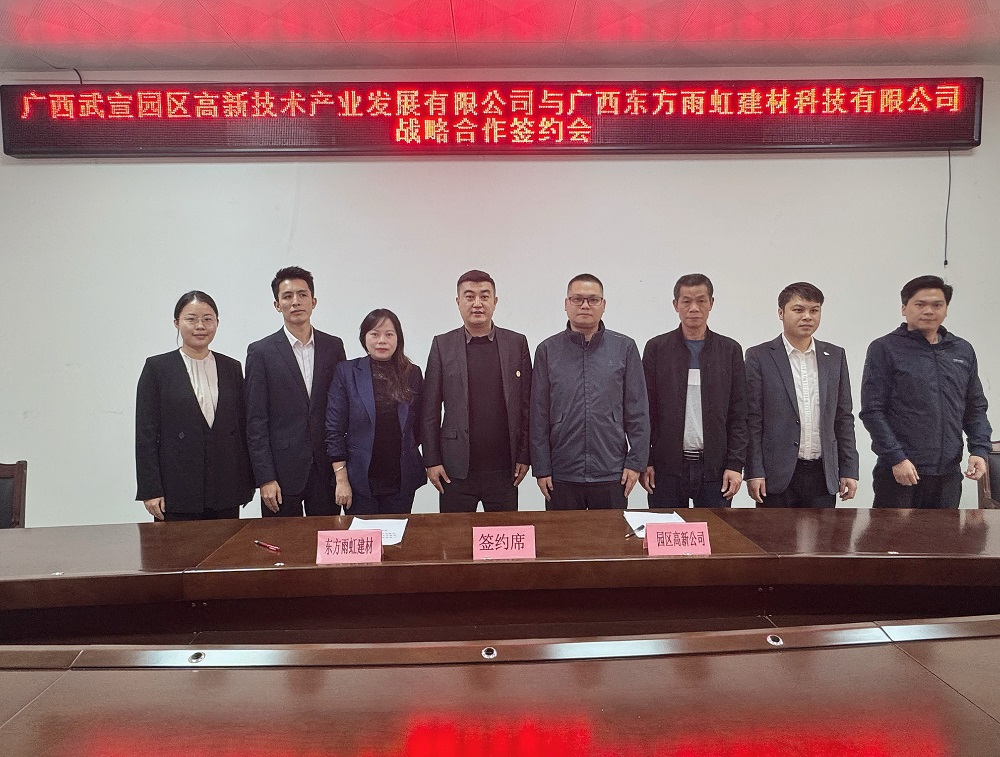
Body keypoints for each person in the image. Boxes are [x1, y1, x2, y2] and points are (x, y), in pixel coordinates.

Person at [860, 275, 992, 508]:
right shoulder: (885, 348)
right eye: (920, 304)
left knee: (944, 532)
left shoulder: (961, 350)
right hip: (900, 471)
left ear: (946, 309)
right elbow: (873, 411)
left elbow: (975, 407)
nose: (929, 311)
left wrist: (979, 450)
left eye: (937, 305)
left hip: (948, 474)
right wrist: (897, 458)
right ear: (904, 308)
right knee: (893, 533)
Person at [530, 273, 649, 510]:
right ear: (566, 304)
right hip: (562, 472)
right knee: (563, 535)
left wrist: (635, 463)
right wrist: (541, 468)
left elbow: (638, 410)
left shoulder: (624, 348)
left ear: (603, 305)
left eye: (593, 299)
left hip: (611, 470)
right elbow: (538, 414)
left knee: (611, 535)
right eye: (577, 299)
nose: (585, 305)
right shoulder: (547, 350)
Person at [135, 291, 254, 521]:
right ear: (176, 322)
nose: (200, 326)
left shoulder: (231, 367)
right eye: (191, 319)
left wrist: (246, 482)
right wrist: (151, 490)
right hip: (176, 487)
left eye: (208, 319)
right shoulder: (157, 369)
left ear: (217, 323)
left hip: (225, 486)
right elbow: (146, 435)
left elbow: (241, 429)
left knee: (227, 544)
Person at [421, 270, 532, 512]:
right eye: (469, 296)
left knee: (503, 535)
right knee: (455, 536)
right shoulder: (442, 345)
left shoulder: (517, 343)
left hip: (504, 468)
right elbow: (429, 409)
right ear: (458, 301)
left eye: (484, 296)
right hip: (455, 469)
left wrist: (525, 455)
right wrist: (432, 460)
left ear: (495, 301)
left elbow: (526, 405)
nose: (477, 303)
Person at [745, 282, 859, 508]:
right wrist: (754, 471)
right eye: (798, 310)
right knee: (773, 532)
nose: (807, 316)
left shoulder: (834, 355)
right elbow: (752, 419)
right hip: (777, 473)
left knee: (824, 532)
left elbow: (843, 416)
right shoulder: (759, 356)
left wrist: (849, 469)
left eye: (814, 310)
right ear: (781, 313)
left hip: (822, 472)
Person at [246, 266, 346, 517]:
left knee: (325, 536)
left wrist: (342, 470)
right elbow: (256, 420)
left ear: (313, 301)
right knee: (282, 540)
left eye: (302, 295)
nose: (295, 302)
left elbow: (341, 409)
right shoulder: (261, 352)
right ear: (277, 305)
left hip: (325, 468)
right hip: (281, 473)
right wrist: (265, 478)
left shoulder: (333, 346)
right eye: (287, 296)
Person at [640, 274, 747, 508]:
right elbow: (645, 411)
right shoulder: (657, 348)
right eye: (686, 301)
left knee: (714, 530)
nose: (694, 308)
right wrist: (645, 461)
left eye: (701, 300)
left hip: (716, 469)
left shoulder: (729, 350)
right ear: (675, 305)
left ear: (711, 303)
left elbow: (739, 414)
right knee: (666, 529)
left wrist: (734, 464)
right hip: (665, 468)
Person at [326, 309, 425, 515]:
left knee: (398, 534)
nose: (382, 341)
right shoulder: (347, 372)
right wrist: (341, 479)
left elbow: (419, 424)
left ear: (398, 338)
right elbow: (334, 429)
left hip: (400, 479)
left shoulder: (412, 373)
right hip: (358, 479)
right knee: (363, 535)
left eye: (389, 334)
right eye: (375, 334)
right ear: (364, 338)